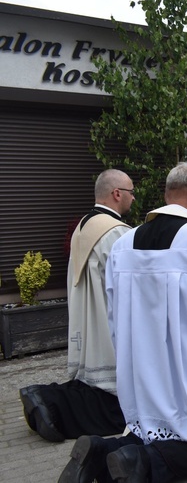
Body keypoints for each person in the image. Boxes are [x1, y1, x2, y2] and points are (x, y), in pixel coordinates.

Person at [59, 163, 187, 483]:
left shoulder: (124, 245)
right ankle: (142, 462)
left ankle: (103, 452)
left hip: (145, 377)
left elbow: (115, 317)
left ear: (167, 195)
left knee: (154, 431)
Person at [19, 170, 133, 442]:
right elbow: (130, 289)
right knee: (118, 411)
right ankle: (49, 399)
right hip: (107, 323)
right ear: (117, 194)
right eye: (131, 192)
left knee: (94, 386)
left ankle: (46, 398)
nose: (133, 199)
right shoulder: (117, 233)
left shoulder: (83, 225)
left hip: (86, 319)